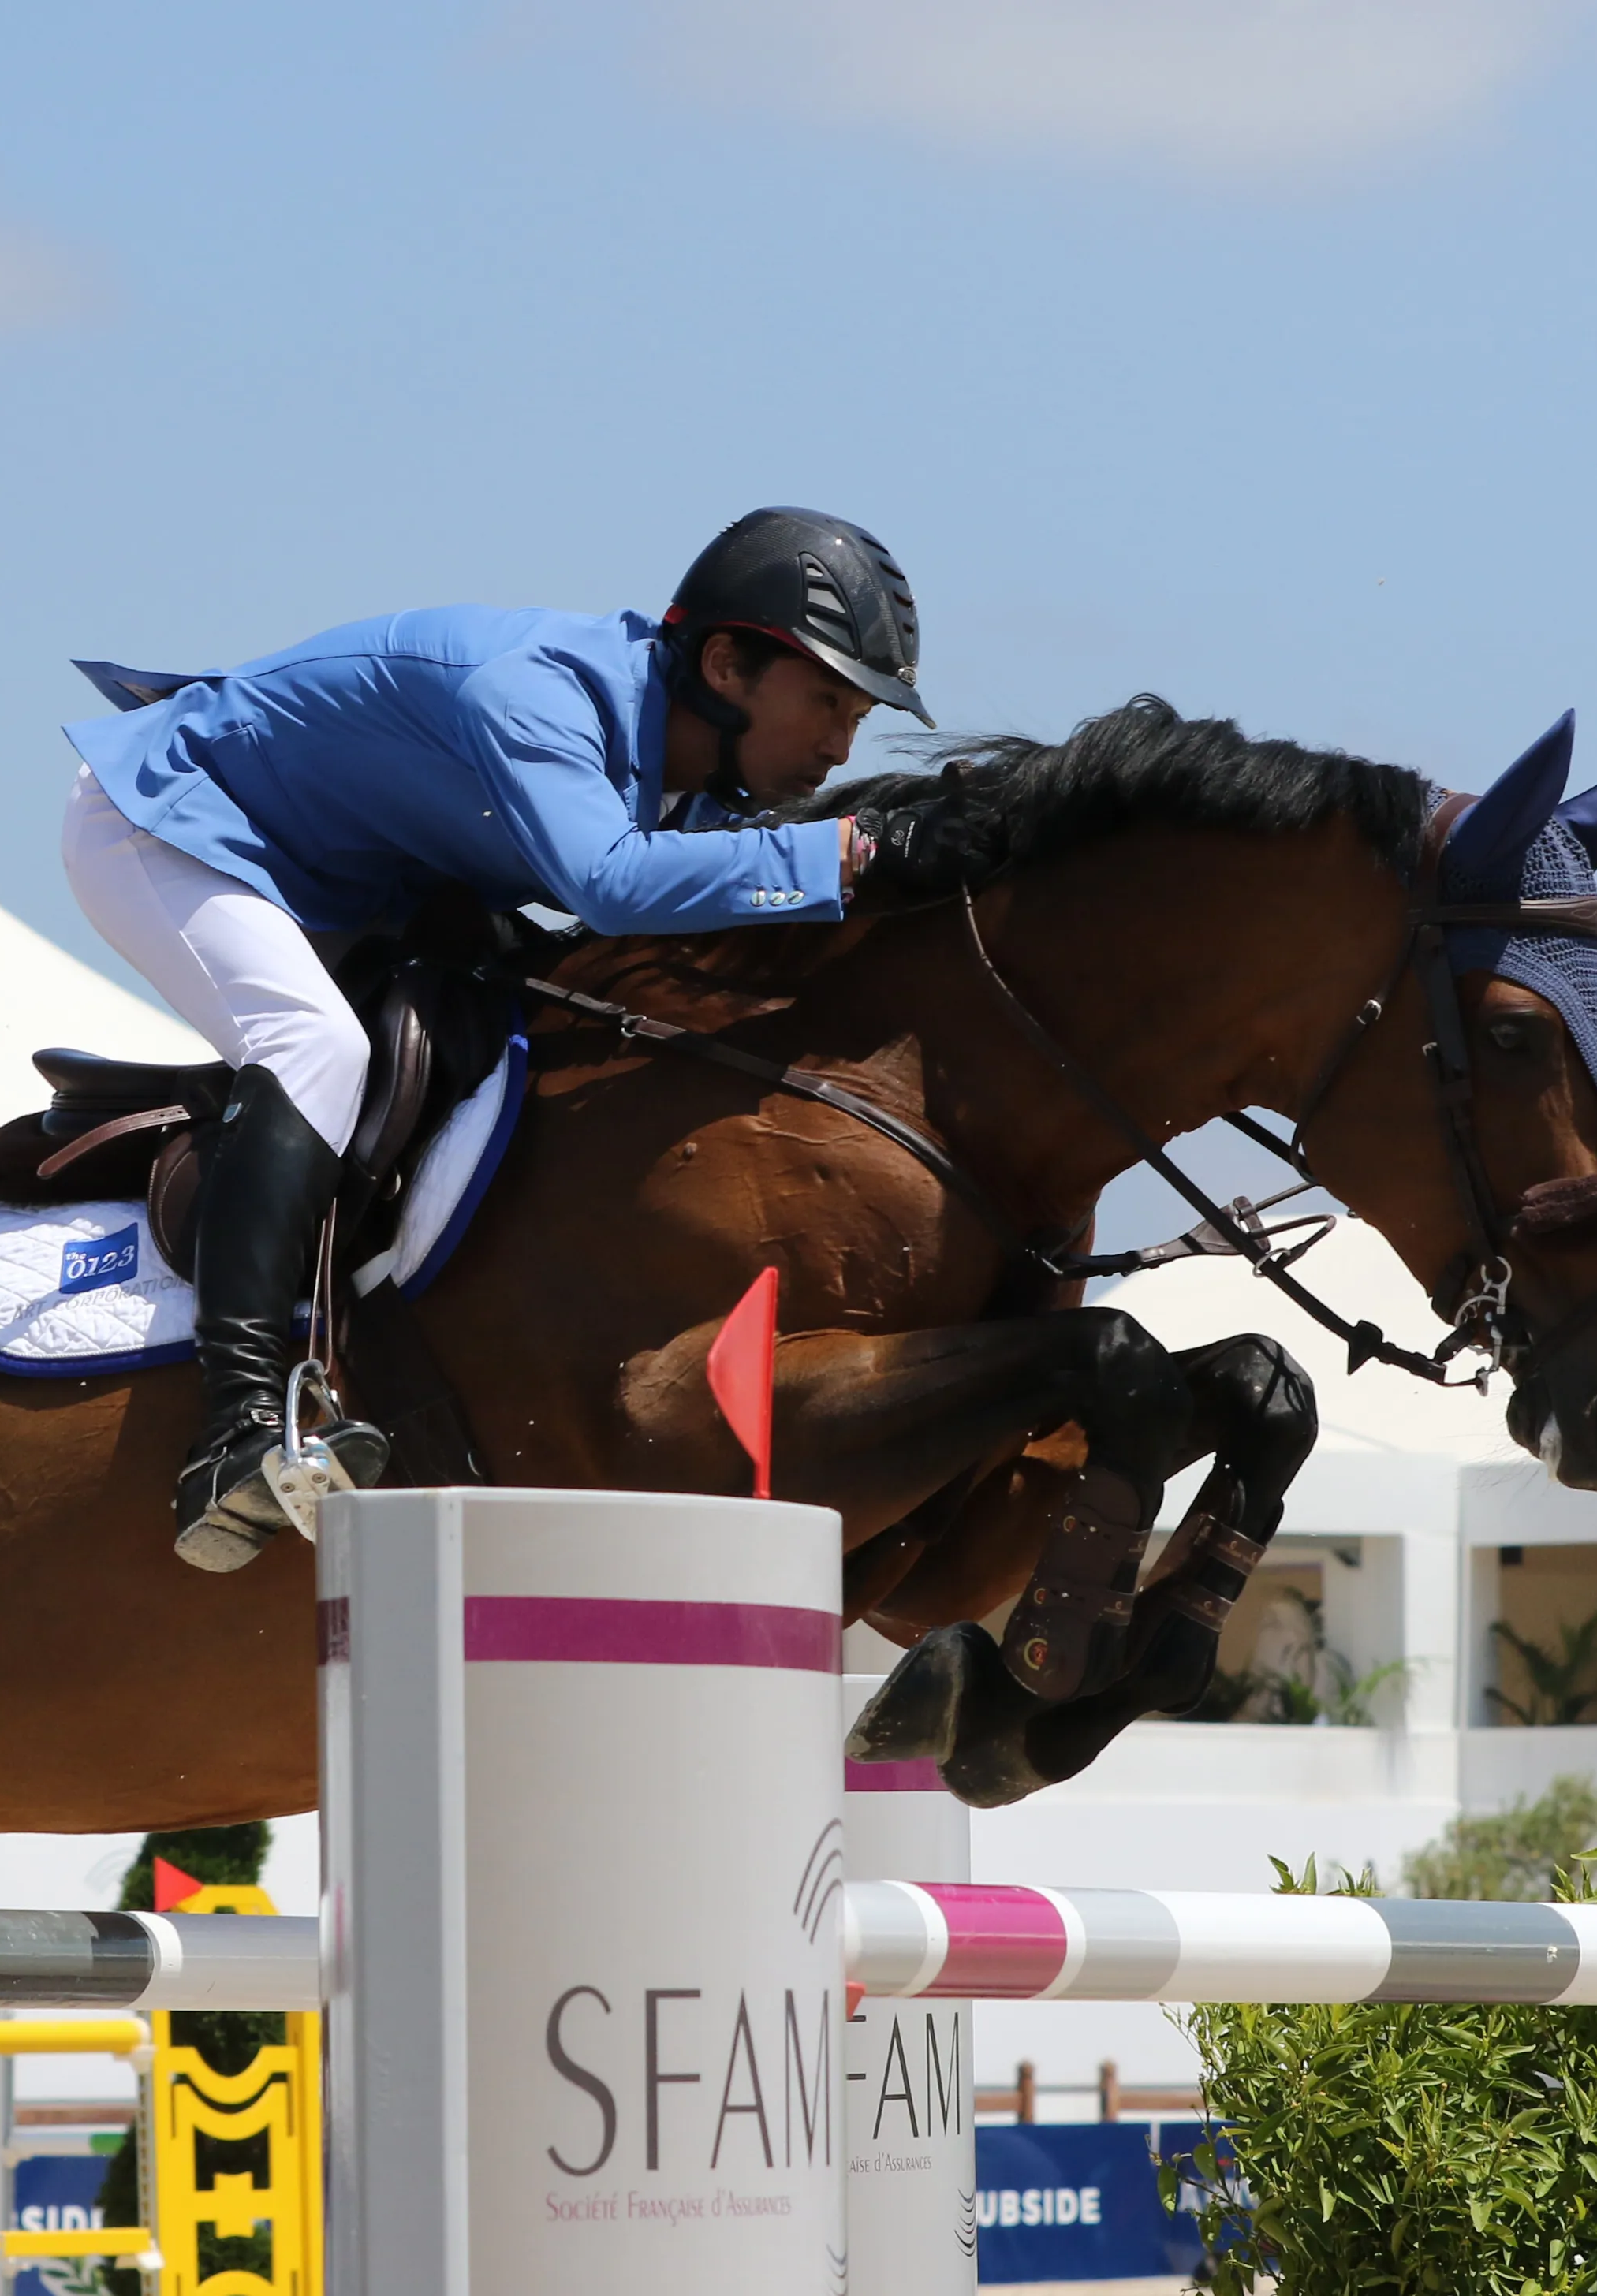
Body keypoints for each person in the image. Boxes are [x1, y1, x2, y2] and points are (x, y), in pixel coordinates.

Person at [62, 507, 980, 1573]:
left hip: (343, 874)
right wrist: (860, 850)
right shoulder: (535, 694)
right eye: (826, 699)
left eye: (859, 717)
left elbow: (715, 882)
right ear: (726, 663)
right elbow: (610, 884)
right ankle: (235, 1429)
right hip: (166, 824)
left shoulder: (673, 759)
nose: (838, 744)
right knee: (314, 1044)